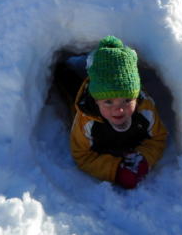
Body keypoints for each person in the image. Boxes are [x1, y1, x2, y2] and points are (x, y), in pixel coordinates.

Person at [68, 36, 168, 189]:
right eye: (108, 102)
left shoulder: (145, 110)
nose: (119, 109)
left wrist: (144, 158)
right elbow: (81, 155)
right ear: (96, 101)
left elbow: (158, 138)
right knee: (67, 87)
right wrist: (115, 170)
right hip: (77, 93)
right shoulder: (86, 119)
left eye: (127, 100)